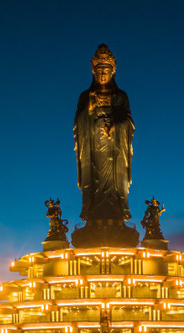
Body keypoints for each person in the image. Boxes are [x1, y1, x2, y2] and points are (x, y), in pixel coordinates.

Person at [74, 44, 134, 223]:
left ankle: (116, 215)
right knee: (94, 180)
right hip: (93, 150)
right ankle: (93, 216)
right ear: (93, 71)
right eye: (99, 71)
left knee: (115, 183)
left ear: (113, 71)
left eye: (106, 71)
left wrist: (116, 126)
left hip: (115, 151)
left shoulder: (121, 96)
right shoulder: (86, 96)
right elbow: (79, 123)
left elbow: (129, 122)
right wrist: (90, 109)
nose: (102, 75)